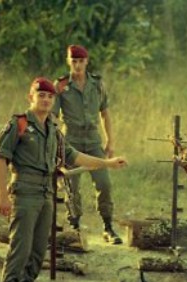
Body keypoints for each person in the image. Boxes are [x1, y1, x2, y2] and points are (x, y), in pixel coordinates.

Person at [0, 77, 127, 282]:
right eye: (41, 95)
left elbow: (73, 156)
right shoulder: (19, 124)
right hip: (25, 192)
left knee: (38, 247)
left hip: (46, 192)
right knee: (21, 244)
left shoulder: (54, 129)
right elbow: (0, 159)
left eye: (49, 96)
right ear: (31, 97)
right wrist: (2, 195)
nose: (45, 100)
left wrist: (107, 163)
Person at [52, 45, 122, 244]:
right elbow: (53, 117)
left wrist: (110, 140)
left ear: (86, 61)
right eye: (74, 61)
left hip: (93, 140)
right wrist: (55, 144)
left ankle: (108, 227)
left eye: (81, 61)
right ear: (68, 61)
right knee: (71, 186)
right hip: (70, 141)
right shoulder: (61, 86)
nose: (78, 65)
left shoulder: (97, 84)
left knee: (104, 184)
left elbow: (105, 113)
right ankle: (74, 228)